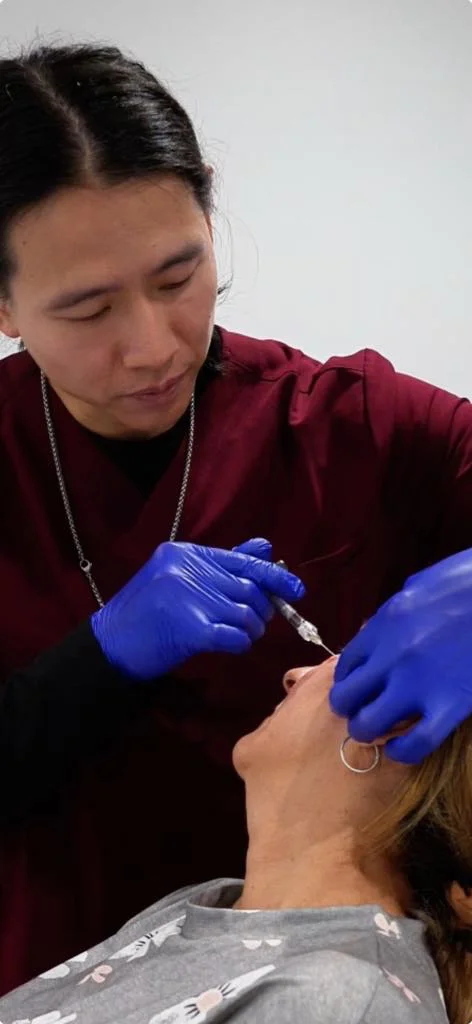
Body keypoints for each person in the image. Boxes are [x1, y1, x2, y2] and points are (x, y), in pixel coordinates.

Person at [1, 38, 472, 996]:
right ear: (6, 304)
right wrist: (88, 670)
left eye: (179, 276)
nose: (150, 348)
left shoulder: (357, 427)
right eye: (88, 310)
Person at [2, 655, 471, 1024]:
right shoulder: (212, 905)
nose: (293, 675)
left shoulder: (337, 1001)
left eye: (347, 662)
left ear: (390, 731)